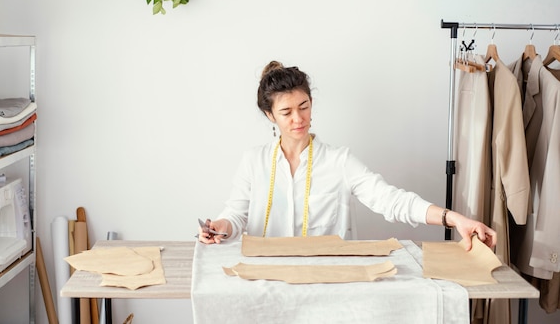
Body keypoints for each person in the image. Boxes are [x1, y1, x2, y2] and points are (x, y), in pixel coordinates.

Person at [198, 61, 497, 251]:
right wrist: (220, 228)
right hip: (266, 280)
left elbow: (391, 200)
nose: (298, 118)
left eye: (304, 106)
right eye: (286, 112)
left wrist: (452, 218)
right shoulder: (254, 161)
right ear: (270, 115)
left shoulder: (339, 162)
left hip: (329, 281)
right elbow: (236, 215)